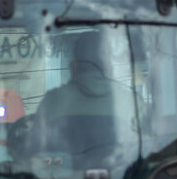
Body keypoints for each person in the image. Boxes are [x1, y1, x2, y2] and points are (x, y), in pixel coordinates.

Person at [32, 31, 138, 164]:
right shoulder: (132, 101)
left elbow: (34, 149)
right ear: (109, 66)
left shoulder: (52, 101)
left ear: (74, 66)